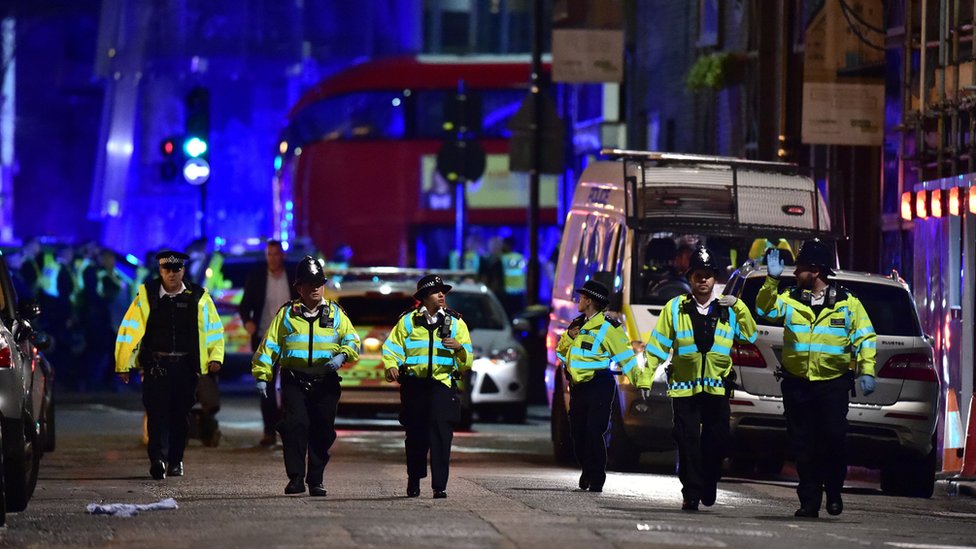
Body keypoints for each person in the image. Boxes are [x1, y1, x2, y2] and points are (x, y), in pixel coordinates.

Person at [759, 240, 877, 518]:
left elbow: (865, 337)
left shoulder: (848, 303)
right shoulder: (790, 298)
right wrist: (771, 280)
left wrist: (867, 370)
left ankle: (833, 491)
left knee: (834, 440)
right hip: (798, 383)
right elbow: (765, 309)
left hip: (832, 384)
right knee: (803, 445)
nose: (795, 272)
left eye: (799, 267)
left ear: (814, 270)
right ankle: (809, 501)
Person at [639, 246, 757, 511]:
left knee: (717, 441)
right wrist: (646, 377)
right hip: (684, 389)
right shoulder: (676, 308)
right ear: (689, 278)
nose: (703, 280)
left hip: (716, 390)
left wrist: (739, 306)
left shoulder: (729, 310)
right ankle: (691, 493)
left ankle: (710, 480)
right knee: (687, 441)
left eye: (708, 275)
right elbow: (657, 346)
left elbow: (749, 335)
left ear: (715, 279)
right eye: (697, 275)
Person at [251, 256, 360, 496]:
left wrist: (343, 355)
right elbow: (270, 345)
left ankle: (316, 479)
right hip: (295, 380)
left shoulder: (336, 313)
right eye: (309, 284)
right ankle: (296, 478)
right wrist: (262, 375)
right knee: (295, 426)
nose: (315, 288)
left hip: (325, 382)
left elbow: (352, 340)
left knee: (322, 430)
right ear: (299, 287)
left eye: (319, 283)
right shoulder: (287, 314)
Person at [114, 250, 224, 480]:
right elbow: (129, 330)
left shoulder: (198, 297)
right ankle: (158, 460)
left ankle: (175, 460)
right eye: (167, 270)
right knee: (156, 414)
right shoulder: (148, 296)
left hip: (185, 367)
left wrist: (215, 357)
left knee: (180, 416)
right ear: (160, 271)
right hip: (157, 366)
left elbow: (213, 329)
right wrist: (123, 363)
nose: (172, 274)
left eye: (176, 269)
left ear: (183, 270)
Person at [382, 274, 473, 499]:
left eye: (443, 291)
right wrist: (392, 365)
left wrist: (460, 348)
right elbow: (391, 348)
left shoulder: (456, 322)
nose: (442, 295)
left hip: (443, 385)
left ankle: (439, 486)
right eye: (436, 291)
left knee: (442, 436)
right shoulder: (408, 321)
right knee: (415, 436)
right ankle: (414, 479)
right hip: (414, 386)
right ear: (423, 297)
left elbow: (467, 361)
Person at [555, 279, 639, 493]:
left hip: (600, 384)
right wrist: (568, 336)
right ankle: (587, 468)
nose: (578, 300)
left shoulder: (609, 327)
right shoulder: (577, 324)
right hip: (578, 387)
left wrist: (640, 381)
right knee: (578, 433)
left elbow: (626, 356)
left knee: (594, 431)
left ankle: (596, 477)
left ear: (589, 301)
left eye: (582, 297)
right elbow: (560, 352)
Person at [239, 240, 297, 446]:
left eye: (276, 254)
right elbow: (244, 305)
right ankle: (269, 431)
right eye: (269, 254)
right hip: (265, 338)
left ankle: (288, 428)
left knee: (292, 386)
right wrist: (248, 323)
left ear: (283, 256)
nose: (273, 258)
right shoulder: (257, 277)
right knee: (267, 387)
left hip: (291, 340)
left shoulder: (293, 277)